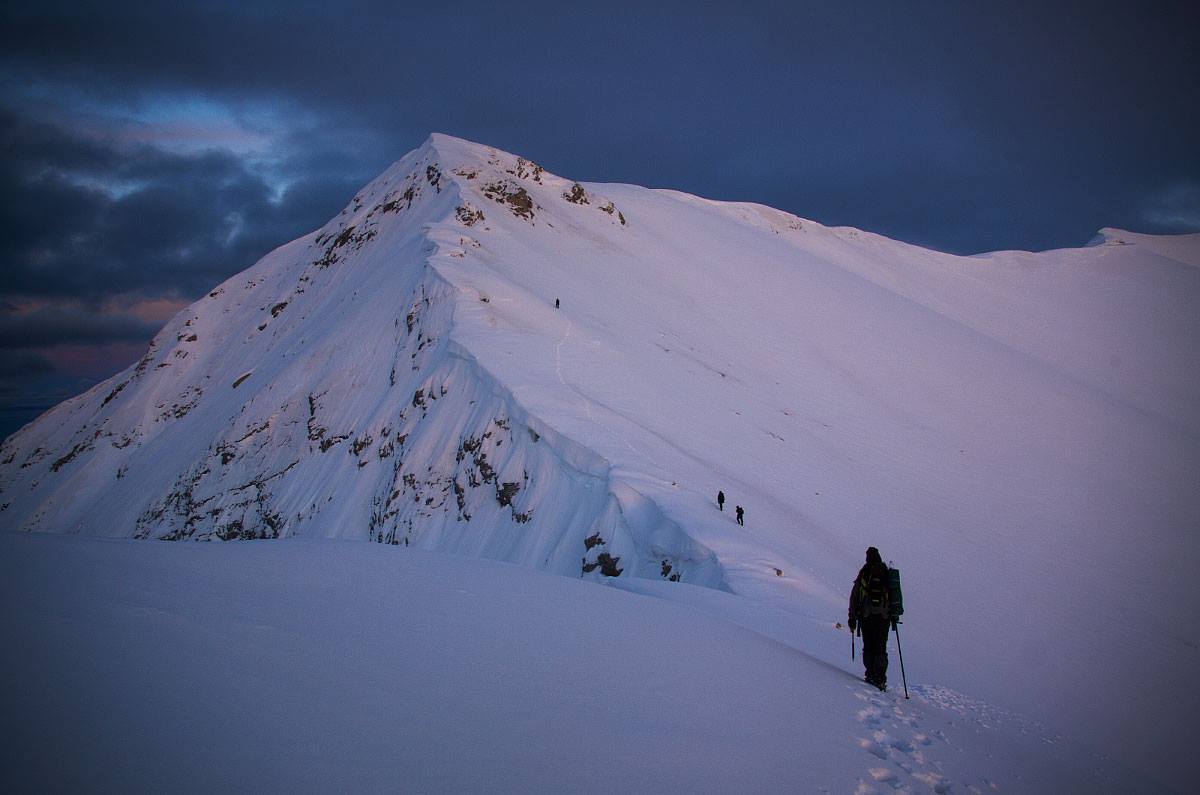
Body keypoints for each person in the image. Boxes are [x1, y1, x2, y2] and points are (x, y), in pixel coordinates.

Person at [848, 546, 892, 690]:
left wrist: (852, 617)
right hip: (884, 618)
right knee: (880, 646)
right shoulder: (886, 573)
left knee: (869, 645)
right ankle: (880, 678)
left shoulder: (865, 572)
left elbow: (855, 596)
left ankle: (870, 674)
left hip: (866, 616)